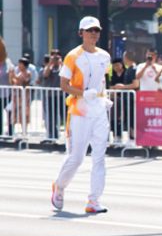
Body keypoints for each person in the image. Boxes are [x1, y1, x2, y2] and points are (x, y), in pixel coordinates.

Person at [51, 16, 111, 214]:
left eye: (96, 30)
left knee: (99, 157)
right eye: (89, 30)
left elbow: (102, 81)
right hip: (79, 110)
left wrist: (105, 97)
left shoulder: (105, 56)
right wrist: (83, 94)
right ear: (81, 33)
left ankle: (93, 200)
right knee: (76, 158)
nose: (93, 33)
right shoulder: (73, 56)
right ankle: (59, 186)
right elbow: (64, 85)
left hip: (99, 111)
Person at [41, 50, 66, 142]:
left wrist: (61, 63)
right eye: (53, 57)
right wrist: (50, 63)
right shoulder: (49, 68)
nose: (55, 59)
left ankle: (68, 135)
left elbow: (66, 75)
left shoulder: (62, 67)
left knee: (64, 115)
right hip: (50, 95)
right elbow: (45, 75)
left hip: (61, 95)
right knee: (52, 117)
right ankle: (53, 136)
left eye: (57, 57)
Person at [107, 57, 127, 142]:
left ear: (122, 65)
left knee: (123, 117)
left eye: (117, 65)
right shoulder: (113, 75)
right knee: (113, 117)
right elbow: (111, 86)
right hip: (115, 99)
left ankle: (121, 136)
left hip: (125, 98)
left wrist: (121, 88)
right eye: (114, 66)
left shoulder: (126, 73)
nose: (116, 67)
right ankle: (116, 136)